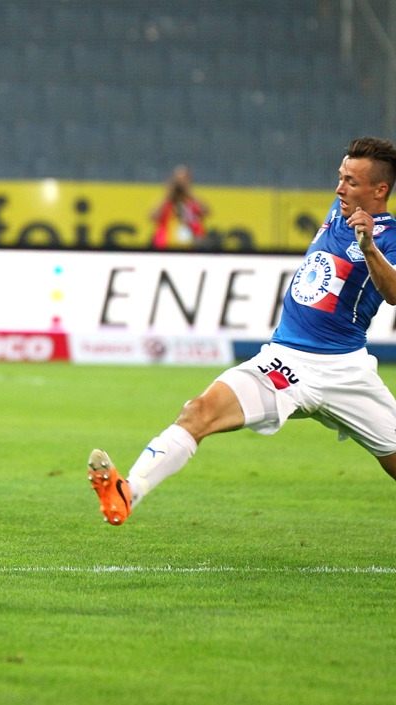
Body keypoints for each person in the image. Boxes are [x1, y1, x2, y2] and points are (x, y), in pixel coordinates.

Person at [89, 137, 396, 526]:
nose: (339, 188)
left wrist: (369, 246)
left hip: (346, 373)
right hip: (284, 361)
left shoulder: (388, 237)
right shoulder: (339, 210)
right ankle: (126, 494)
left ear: (380, 190)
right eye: (340, 177)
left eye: (351, 181)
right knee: (198, 411)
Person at [150, 165, 209, 249]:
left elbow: (206, 212)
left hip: (190, 246)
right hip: (166, 244)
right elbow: (153, 217)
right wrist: (169, 194)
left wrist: (189, 192)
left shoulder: (192, 201)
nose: (180, 184)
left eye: (184, 180)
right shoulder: (168, 202)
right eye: (178, 180)